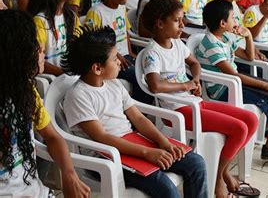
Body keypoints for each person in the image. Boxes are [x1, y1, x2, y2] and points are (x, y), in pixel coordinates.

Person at [62, 25, 207, 198]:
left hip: (132, 143)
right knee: (166, 188)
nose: (119, 61)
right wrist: (147, 153)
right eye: (114, 58)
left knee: (196, 164)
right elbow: (102, 137)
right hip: (104, 155)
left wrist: (163, 142)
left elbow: (138, 118)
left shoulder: (114, 84)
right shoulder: (78, 96)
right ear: (97, 68)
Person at [140, 0, 260, 198]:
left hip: (194, 102)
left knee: (251, 119)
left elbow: (194, 63)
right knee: (239, 128)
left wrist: (195, 80)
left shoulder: (177, 44)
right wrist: (185, 84)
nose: (183, 24)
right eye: (177, 20)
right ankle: (219, 179)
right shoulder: (152, 52)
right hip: (177, 110)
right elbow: (155, 84)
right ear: (160, 24)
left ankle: (220, 173)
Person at [197, 0, 268, 163]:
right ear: (223, 23)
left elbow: (249, 57)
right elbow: (233, 76)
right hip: (223, 89)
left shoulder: (224, 38)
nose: (236, 21)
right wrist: (266, 85)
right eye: (232, 17)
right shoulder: (211, 45)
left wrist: (249, 36)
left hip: (235, 83)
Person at [0, 10, 90, 198]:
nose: (41, 48)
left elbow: (52, 137)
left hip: (37, 192)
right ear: (14, 53)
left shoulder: (25, 91)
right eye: (33, 43)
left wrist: (69, 173)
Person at [85, 0, 146, 103]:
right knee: (141, 79)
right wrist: (118, 56)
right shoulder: (96, 12)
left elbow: (125, 33)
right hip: (110, 61)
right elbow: (95, 42)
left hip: (126, 57)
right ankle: (134, 114)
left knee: (150, 71)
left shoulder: (121, 8)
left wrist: (130, 53)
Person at [28, 0, 80, 76]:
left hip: (70, 74)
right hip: (52, 78)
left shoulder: (71, 16)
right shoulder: (40, 21)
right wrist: (65, 74)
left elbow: (79, 46)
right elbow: (37, 60)